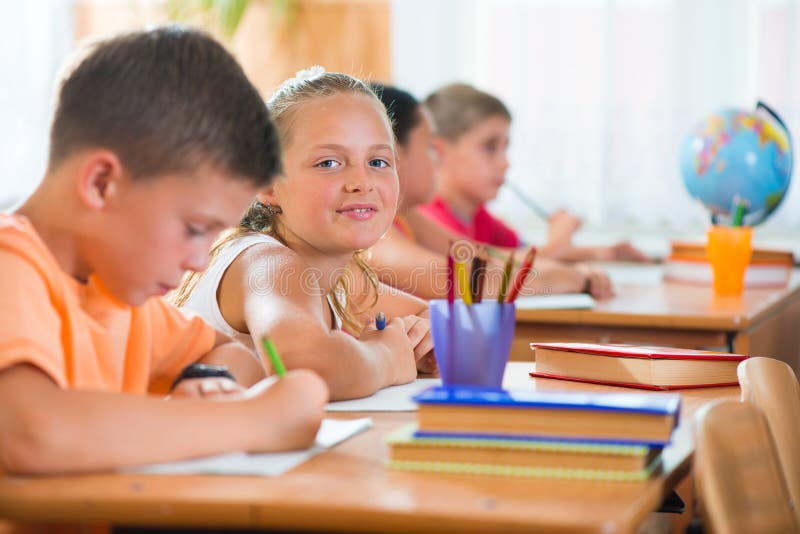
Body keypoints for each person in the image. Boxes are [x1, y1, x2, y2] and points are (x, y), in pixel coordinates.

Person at [0, 28, 328, 476]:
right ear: (101, 183)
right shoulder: (10, 267)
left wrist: (208, 385)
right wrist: (251, 420)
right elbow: (32, 433)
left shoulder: (123, 299)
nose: (199, 260)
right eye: (195, 228)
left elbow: (230, 353)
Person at [173, 69, 436, 402]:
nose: (362, 181)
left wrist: (424, 342)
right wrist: (386, 359)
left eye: (378, 161)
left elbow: (434, 320)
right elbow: (306, 367)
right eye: (328, 163)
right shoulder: (266, 263)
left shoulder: (342, 278)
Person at [367, 83, 613, 300]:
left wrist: (569, 272)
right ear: (393, 154)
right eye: (430, 147)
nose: (438, 159)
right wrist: (562, 279)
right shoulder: (370, 232)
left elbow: (485, 258)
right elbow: (456, 280)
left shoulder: (407, 218)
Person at [417, 83, 650, 263]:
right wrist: (558, 240)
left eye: (505, 147)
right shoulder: (429, 221)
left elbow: (525, 255)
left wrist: (605, 253)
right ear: (440, 152)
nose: (505, 163)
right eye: (490, 147)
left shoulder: (480, 218)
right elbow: (506, 271)